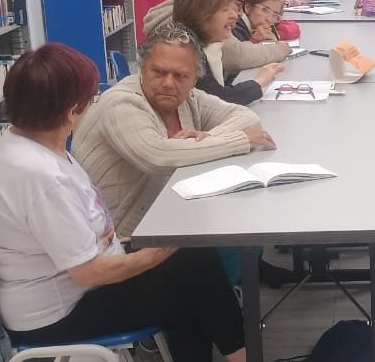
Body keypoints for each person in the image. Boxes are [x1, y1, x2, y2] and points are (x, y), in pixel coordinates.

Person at [0, 44, 312, 362]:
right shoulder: (39, 176)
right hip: (56, 313)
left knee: (191, 267)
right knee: (191, 275)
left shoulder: (28, 146)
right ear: (71, 111)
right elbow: (90, 272)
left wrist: (136, 247)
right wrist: (157, 253)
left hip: (66, 286)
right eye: (88, 100)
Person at [73, 22, 276, 239]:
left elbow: (248, 118)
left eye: (180, 76)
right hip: (118, 240)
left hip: (167, 218)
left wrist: (210, 137)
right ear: (142, 68)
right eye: (158, 72)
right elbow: (157, 155)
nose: (168, 83)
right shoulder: (121, 103)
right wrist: (238, 141)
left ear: (195, 78)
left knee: (244, 219)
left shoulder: (188, 98)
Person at [173, 0, 285, 104]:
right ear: (201, 15)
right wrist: (260, 81)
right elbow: (219, 100)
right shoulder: (185, 52)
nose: (235, 15)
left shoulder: (203, 45)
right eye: (225, 9)